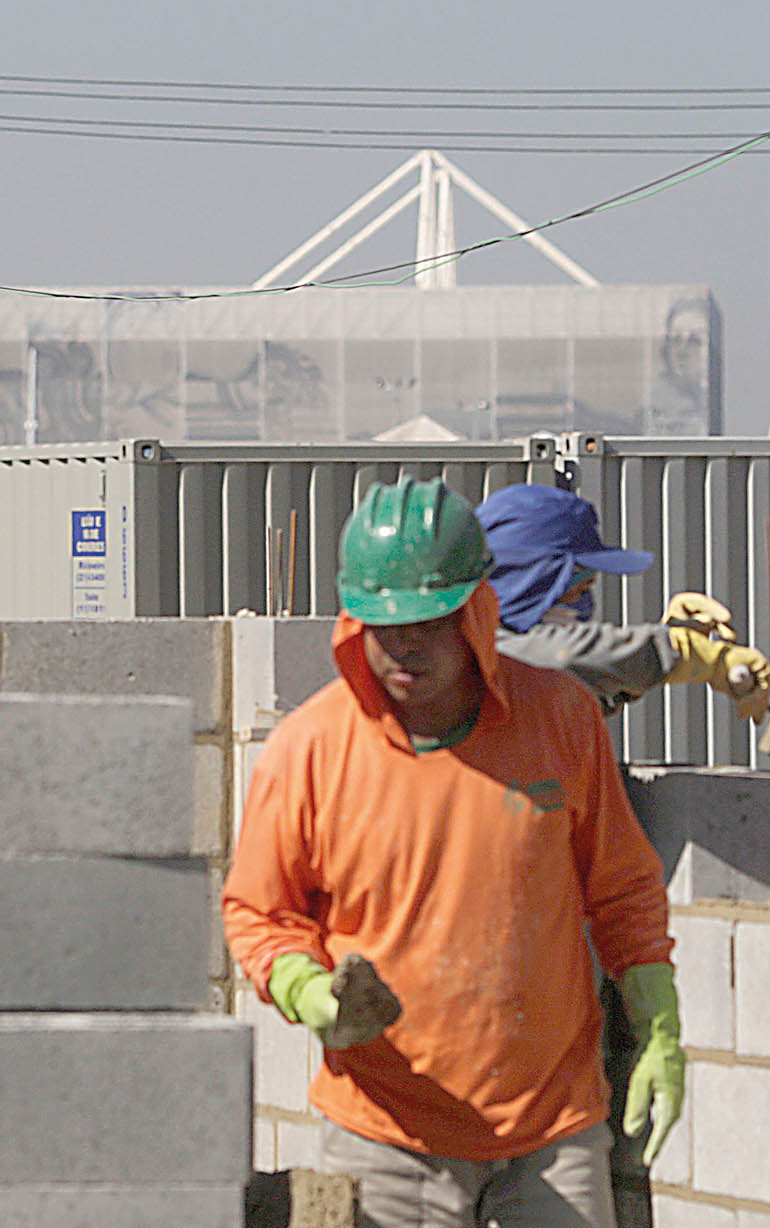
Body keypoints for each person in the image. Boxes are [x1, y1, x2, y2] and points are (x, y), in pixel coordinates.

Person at [223, 478, 682, 1228]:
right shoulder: (309, 750)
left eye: (429, 622)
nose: (404, 644)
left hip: (552, 1138)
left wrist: (659, 1026)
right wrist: (309, 991)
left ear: (476, 607)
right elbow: (257, 911)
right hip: (386, 1142)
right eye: (383, 622)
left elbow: (624, 890)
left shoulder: (560, 718)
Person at [477, 483, 769, 736]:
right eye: (576, 588)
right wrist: (679, 650)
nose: (584, 604)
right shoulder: (471, 653)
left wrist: (666, 642)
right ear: (530, 582)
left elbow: (570, 686)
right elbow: (558, 656)